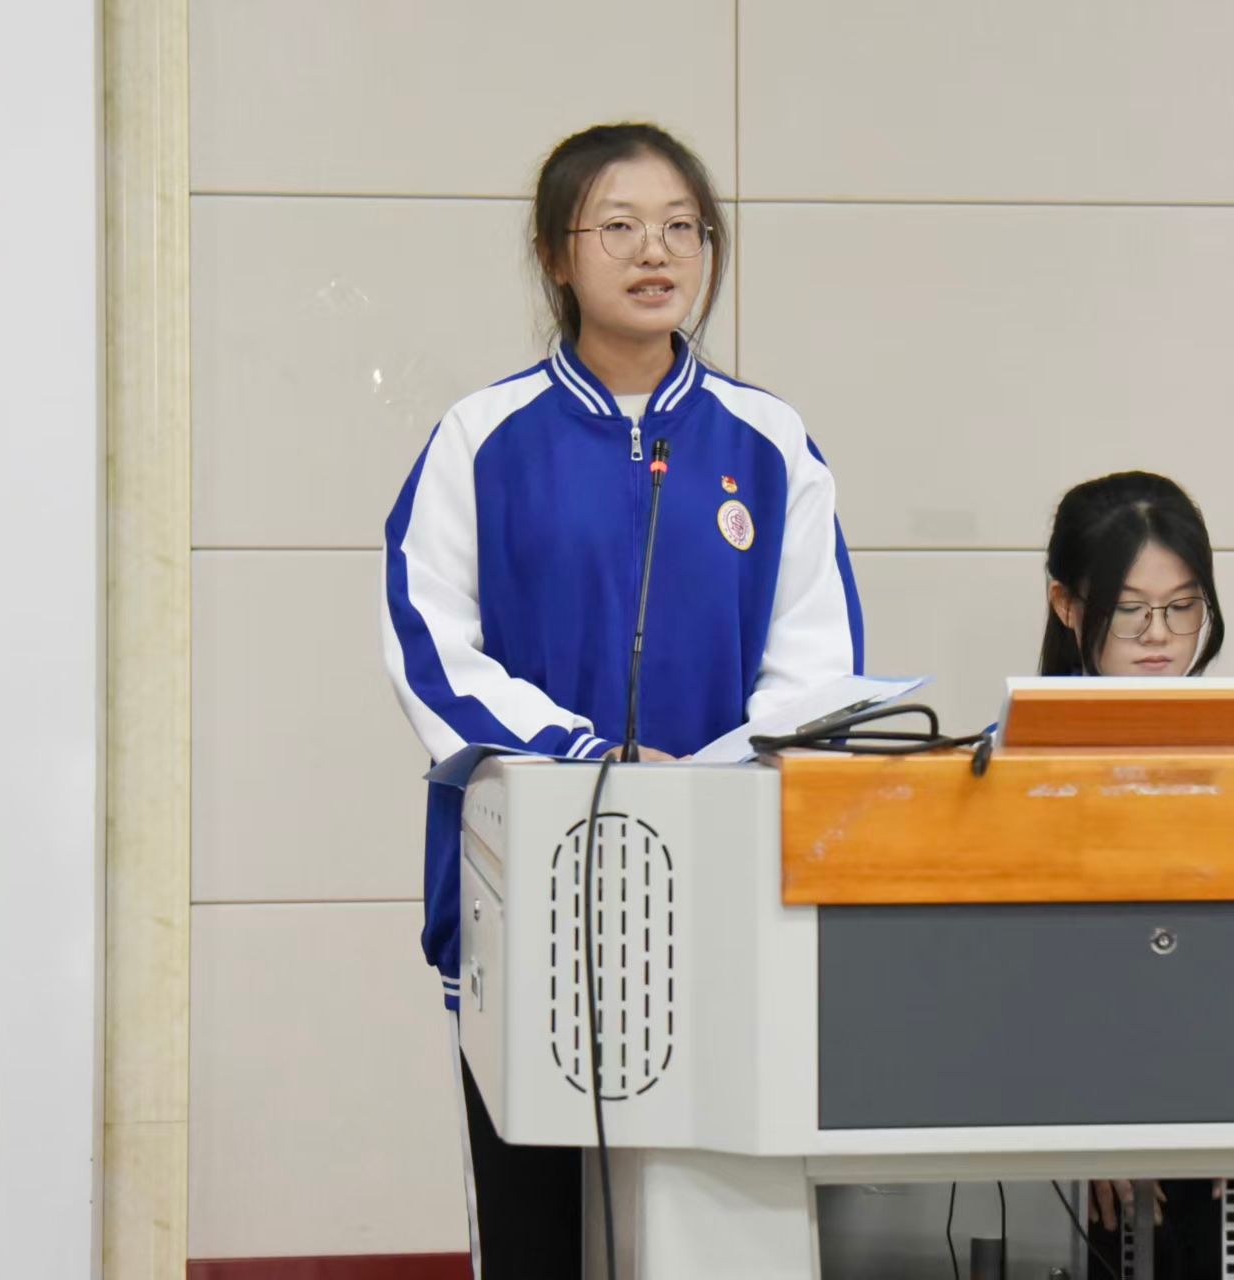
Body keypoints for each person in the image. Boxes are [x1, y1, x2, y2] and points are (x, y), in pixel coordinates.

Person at [380, 122, 863, 1278]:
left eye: (683, 227)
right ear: (557, 253)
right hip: (531, 890)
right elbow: (429, 645)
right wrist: (587, 752)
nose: (658, 251)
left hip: (717, 890)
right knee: (536, 1231)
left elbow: (817, 667)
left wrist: (704, 788)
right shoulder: (482, 439)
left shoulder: (769, 442)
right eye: (622, 227)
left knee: (711, 1227)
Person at [1040, 471, 1234, 1277]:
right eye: (1129, 609)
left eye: (1183, 606)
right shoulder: (1025, 770)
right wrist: (1079, 1126)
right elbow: (1030, 978)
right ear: (1067, 605)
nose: (1158, 635)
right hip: (1085, 1125)